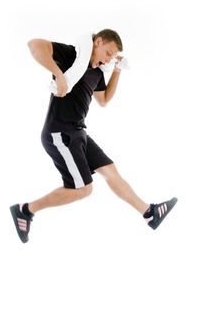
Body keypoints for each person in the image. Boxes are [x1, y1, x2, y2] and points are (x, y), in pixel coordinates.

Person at [10, 29, 178, 243]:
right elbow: (34, 44)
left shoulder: (97, 73)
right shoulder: (71, 55)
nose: (108, 59)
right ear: (98, 42)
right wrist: (59, 74)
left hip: (79, 132)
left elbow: (104, 100)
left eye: (112, 57)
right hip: (59, 132)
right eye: (108, 53)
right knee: (83, 189)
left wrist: (116, 70)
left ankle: (149, 213)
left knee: (111, 171)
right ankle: (26, 210)